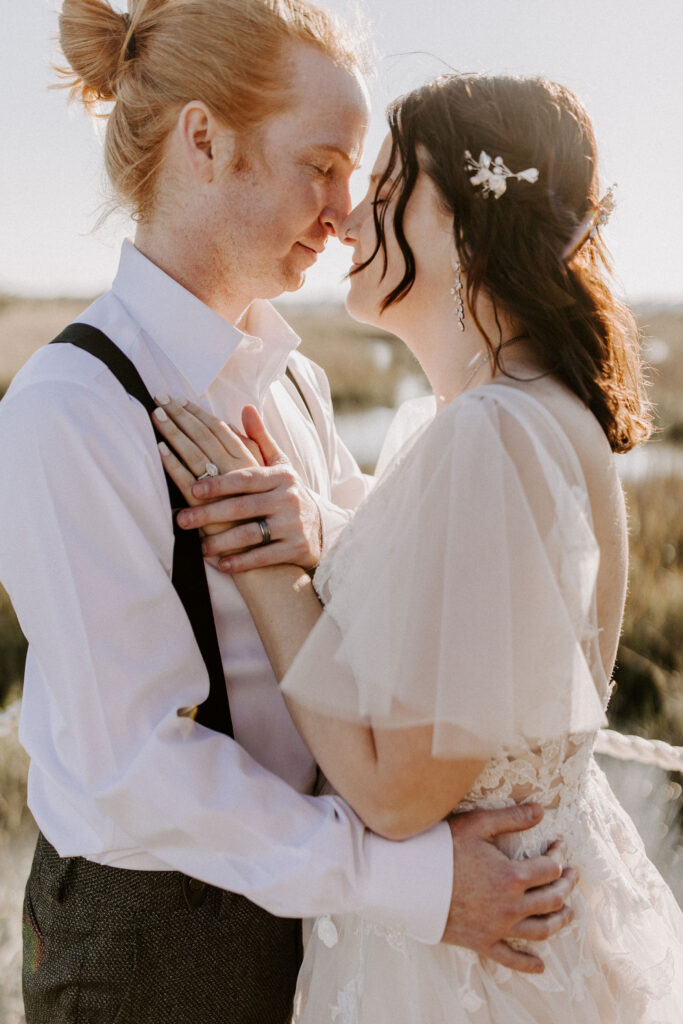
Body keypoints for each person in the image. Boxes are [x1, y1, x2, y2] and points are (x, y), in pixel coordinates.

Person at [0, 4, 577, 1023]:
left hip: (318, 920)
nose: (345, 210)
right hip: (155, 946)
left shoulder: (295, 378)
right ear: (203, 140)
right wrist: (415, 883)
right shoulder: (70, 407)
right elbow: (131, 764)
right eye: (319, 164)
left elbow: (372, 595)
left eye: (356, 175)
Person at [156, 73, 683, 1021]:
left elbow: (396, 796)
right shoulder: (528, 414)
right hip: (532, 922)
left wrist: (271, 574)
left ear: (471, 229)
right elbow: (473, 631)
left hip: (464, 969)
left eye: (389, 192)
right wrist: (323, 530)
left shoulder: (491, 435)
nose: (348, 220)